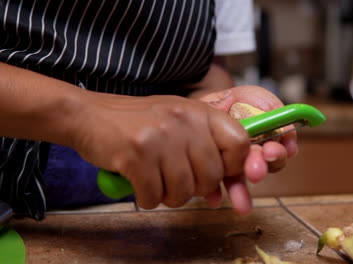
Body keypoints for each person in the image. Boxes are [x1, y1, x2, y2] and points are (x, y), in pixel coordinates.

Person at [0, 0, 297, 221]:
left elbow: (207, 71)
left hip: (158, 180)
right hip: (15, 174)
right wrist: (82, 115)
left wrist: (216, 108)